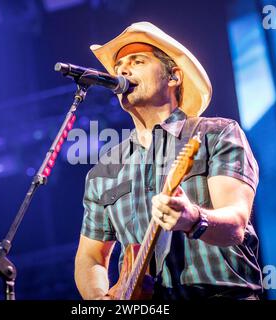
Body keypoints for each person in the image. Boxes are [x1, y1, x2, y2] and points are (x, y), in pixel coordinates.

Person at [74, 22, 262, 300]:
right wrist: (101, 299)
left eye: (137, 61)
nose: (122, 71)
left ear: (173, 76)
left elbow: (236, 223)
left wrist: (194, 219)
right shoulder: (104, 171)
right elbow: (89, 258)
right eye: (118, 66)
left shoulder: (215, 133)